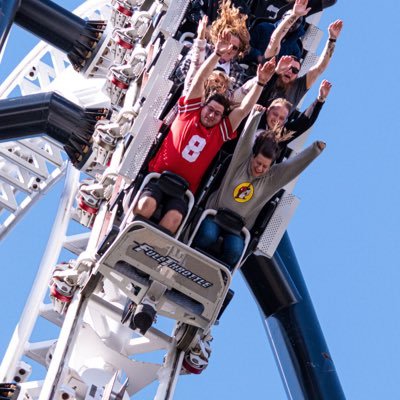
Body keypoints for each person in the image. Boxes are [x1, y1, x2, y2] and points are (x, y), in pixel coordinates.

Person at [133, 33, 276, 235]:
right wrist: (216, 54)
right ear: (203, 106)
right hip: (158, 177)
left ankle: (145, 250)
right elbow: (200, 78)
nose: (211, 115)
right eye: (210, 109)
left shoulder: (220, 132)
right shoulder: (189, 112)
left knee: (174, 219)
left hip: (183, 190)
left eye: (218, 113)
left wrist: (260, 83)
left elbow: (243, 110)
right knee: (147, 204)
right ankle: (134, 235)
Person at [193, 105, 325, 266]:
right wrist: (256, 115)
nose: (260, 168)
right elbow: (245, 140)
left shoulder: (270, 179)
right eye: (258, 163)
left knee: (235, 250)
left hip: (237, 228)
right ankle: (190, 262)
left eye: (265, 166)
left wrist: (314, 150)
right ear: (252, 157)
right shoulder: (240, 163)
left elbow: (292, 168)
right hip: (214, 215)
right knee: (208, 235)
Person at [258, 19, 343, 112]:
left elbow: (320, 68)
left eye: (294, 71)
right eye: (287, 67)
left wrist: (332, 39)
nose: (290, 71)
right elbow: (273, 42)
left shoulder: (297, 87)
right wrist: (294, 15)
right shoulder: (269, 70)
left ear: (297, 75)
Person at [174, 0, 250, 93]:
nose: (229, 49)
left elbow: (229, 98)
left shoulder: (237, 71)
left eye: (234, 48)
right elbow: (182, 72)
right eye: (227, 43)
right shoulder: (204, 49)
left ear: (239, 51)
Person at [260, 79, 332, 159]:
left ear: (285, 121)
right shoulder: (256, 118)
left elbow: (305, 122)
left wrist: (320, 99)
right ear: (268, 110)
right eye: (275, 114)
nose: (277, 119)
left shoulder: (281, 135)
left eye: (281, 118)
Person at [246, 0, 311, 64]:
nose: (293, 22)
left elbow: (293, 69)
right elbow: (246, 45)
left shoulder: (296, 49)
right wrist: (259, 57)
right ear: (283, 17)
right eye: (290, 17)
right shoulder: (263, 27)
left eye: (297, 21)